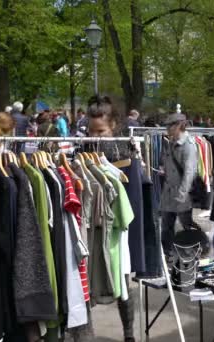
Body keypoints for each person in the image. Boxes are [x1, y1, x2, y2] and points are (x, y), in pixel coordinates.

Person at [85, 95, 139, 342]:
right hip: (90, 226)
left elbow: (133, 191)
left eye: (101, 131)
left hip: (119, 226)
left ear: (113, 125)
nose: (95, 137)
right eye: (91, 131)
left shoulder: (124, 149)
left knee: (123, 282)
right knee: (86, 283)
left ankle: (128, 333)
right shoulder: (83, 149)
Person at [159, 112, 198, 258]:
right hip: (169, 193)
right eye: (167, 126)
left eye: (171, 125)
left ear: (180, 126)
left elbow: (189, 172)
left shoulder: (188, 145)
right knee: (167, 228)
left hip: (181, 195)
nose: (168, 129)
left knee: (185, 228)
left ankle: (188, 258)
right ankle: (168, 256)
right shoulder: (171, 143)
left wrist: (182, 195)